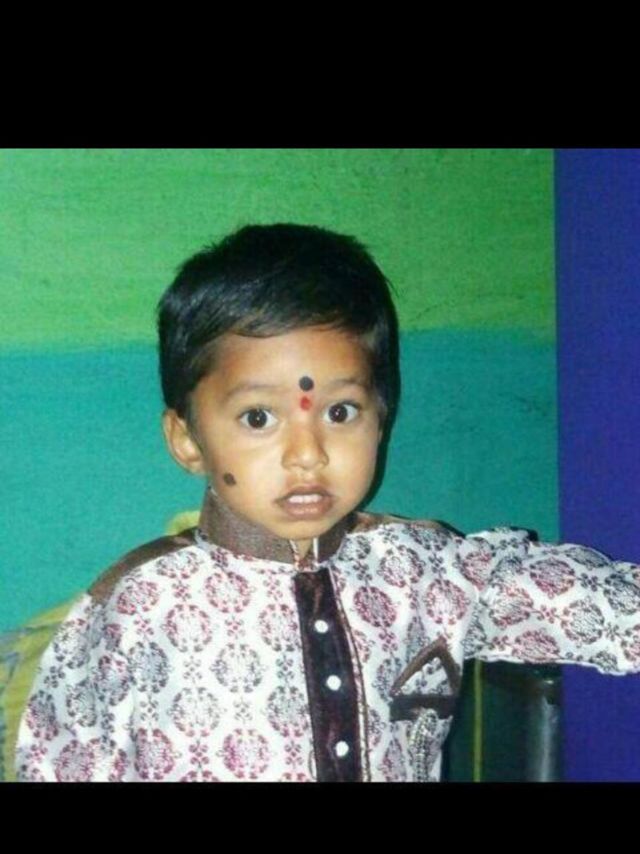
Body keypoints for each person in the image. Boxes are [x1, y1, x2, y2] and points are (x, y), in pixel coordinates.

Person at [15, 224, 640, 782]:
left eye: (340, 412)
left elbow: (573, 600)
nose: (307, 454)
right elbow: (67, 760)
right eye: (258, 417)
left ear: (381, 419)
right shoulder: (139, 603)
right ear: (187, 439)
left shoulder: (422, 572)